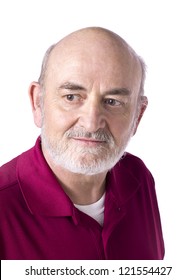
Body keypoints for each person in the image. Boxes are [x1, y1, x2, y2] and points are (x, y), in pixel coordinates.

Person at [0, 27, 164, 260]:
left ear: (138, 115)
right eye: (71, 97)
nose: (91, 123)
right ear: (38, 103)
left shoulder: (139, 178)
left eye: (113, 101)